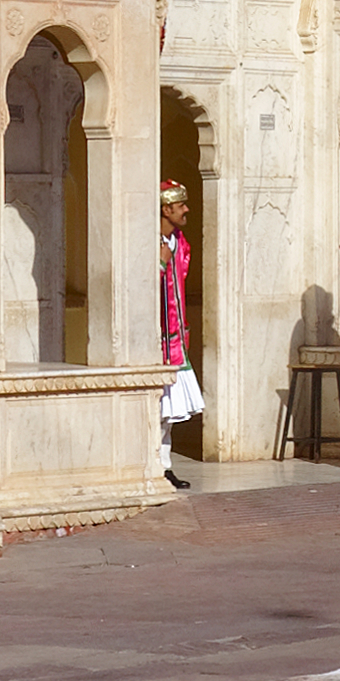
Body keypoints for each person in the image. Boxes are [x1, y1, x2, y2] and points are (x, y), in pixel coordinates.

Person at [155, 179, 201, 488]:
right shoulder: (153, 243)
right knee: (158, 409)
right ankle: (154, 465)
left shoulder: (179, 242)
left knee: (169, 412)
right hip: (157, 338)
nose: (186, 209)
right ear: (166, 209)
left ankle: (165, 465)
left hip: (176, 338)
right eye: (180, 205)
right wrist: (160, 263)